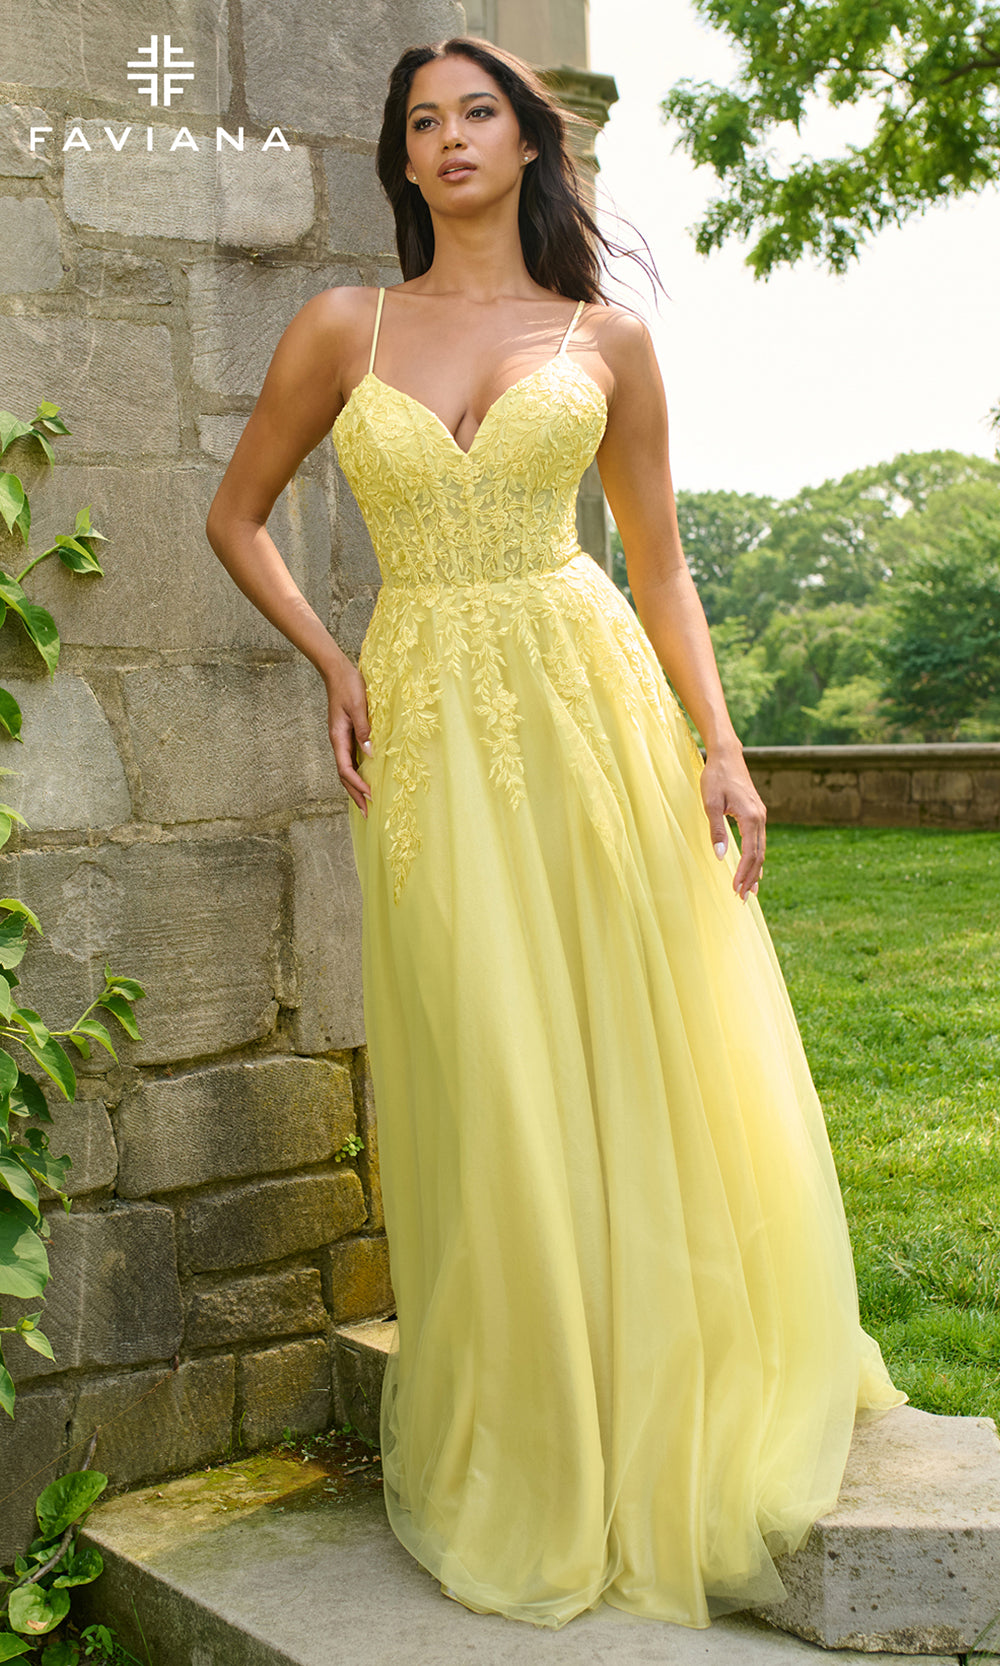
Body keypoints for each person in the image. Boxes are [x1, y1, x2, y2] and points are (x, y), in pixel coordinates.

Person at [206, 33, 905, 1633]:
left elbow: (660, 568)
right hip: (433, 720)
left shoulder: (609, 337)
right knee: (486, 1053)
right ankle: (533, 1408)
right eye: (420, 123)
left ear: (528, 143)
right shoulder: (343, 326)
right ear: (399, 160)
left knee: (625, 1038)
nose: (448, 140)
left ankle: (659, 1377)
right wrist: (333, 660)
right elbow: (234, 512)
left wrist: (722, 751)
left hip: (592, 710)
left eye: (477, 115)